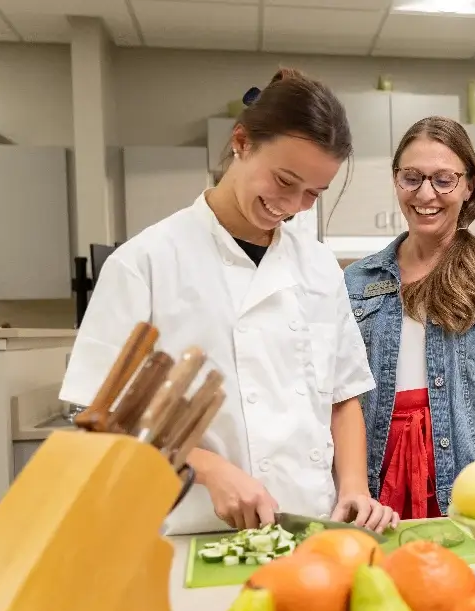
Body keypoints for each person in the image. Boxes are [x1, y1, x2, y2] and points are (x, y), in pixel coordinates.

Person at [60, 68, 398, 534]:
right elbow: (100, 414)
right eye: (284, 180)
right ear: (241, 142)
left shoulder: (319, 266)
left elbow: (342, 398)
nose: (293, 205)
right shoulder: (146, 263)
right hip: (192, 526)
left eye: (312, 194)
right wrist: (207, 469)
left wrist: (355, 488)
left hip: (310, 524)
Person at [344, 115, 475, 519]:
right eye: (412, 177)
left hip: (474, 481)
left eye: (443, 179)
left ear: (469, 184)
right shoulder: (356, 280)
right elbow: (339, 395)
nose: (426, 193)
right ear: (396, 180)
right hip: (375, 479)